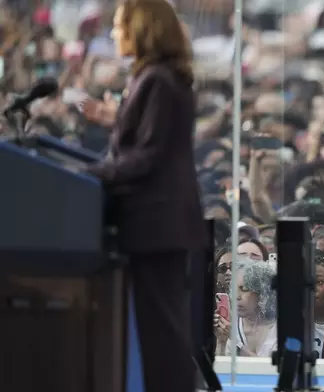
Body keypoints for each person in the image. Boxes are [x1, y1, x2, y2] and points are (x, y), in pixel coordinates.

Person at [82, 2, 204, 391]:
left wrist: (91, 174)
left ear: (141, 28)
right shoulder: (159, 78)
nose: (115, 34)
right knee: (158, 331)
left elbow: (150, 155)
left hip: (158, 223)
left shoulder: (157, 80)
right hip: (157, 223)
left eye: (119, 26)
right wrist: (115, 120)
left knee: (162, 333)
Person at [214, 259, 277, 357]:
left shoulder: (278, 329)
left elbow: (267, 370)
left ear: (263, 293)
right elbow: (221, 369)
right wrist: (221, 341)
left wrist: (235, 340)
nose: (236, 296)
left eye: (244, 289)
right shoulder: (233, 326)